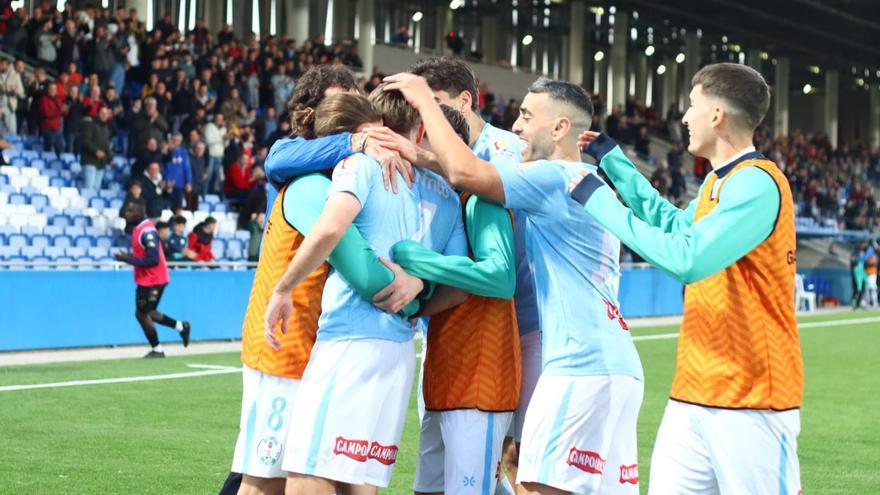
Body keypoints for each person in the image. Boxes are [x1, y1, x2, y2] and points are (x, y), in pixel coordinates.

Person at [383, 73, 643, 495]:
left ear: (560, 128)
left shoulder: (555, 177)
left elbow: (468, 172)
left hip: (578, 364)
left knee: (533, 482)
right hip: (617, 364)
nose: (516, 126)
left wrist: (422, 102)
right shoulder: (589, 182)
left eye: (525, 115)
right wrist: (420, 155)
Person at [570, 63, 803, 494]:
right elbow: (675, 225)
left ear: (717, 114)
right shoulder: (720, 182)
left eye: (692, 105)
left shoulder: (758, 183)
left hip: (750, 399)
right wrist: (616, 165)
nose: (683, 117)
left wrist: (601, 202)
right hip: (693, 391)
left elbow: (688, 258)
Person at [263, 88, 467, 495]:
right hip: (398, 350)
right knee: (359, 480)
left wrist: (283, 288)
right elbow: (459, 286)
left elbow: (331, 227)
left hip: (349, 339)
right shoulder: (448, 197)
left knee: (307, 472)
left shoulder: (361, 165)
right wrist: (418, 296)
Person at [404, 56, 533, 495]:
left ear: (463, 101)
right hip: (448, 342)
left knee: (521, 467)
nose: (426, 116)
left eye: (432, 103)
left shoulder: (506, 156)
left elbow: (499, 274)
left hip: (518, 332)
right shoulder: (441, 179)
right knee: (447, 474)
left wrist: (413, 261)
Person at [115, 201, 191, 358]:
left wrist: (128, 259)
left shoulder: (147, 232)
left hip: (153, 279)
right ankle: (181, 327)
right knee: (146, 312)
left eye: (131, 211)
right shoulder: (139, 229)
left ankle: (157, 349)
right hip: (148, 279)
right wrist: (130, 257)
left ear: (140, 212)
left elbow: (153, 260)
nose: (127, 213)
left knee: (142, 314)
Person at [80, 105, 113, 191]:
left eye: (106, 113)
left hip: (101, 163)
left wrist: (110, 159)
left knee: (96, 190)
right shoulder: (90, 125)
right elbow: (85, 141)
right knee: (89, 189)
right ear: (97, 113)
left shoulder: (106, 129)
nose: (104, 115)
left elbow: (106, 146)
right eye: (102, 113)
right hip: (89, 161)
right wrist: (96, 151)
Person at [164, 132, 192, 209]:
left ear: (180, 141)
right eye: (173, 140)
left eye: (177, 140)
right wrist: (166, 181)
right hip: (166, 185)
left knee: (178, 207)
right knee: (166, 208)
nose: (175, 142)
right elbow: (163, 167)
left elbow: (187, 168)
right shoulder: (166, 152)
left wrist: (188, 182)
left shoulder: (183, 152)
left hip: (179, 184)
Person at [39, 81, 65, 156]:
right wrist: (59, 112)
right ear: (48, 89)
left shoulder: (58, 99)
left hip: (58, 129)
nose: (53, 91)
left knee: (61, 150)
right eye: (51, 89)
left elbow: (62, 111)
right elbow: (46, 113)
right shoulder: (44, 99)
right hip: (48, 129)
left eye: (54, 89)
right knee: (48, 150)